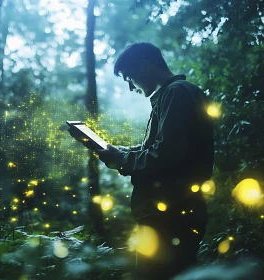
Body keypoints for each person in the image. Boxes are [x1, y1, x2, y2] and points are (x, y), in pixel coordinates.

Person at [68, 42, 214, 279]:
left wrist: (121, 158)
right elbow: (160, 148)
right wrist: (120, 151)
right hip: (173, 212)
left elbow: (166, 155)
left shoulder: (176, 93)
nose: (130, 86)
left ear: (146, 66)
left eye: (129, 77)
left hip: (171, 215)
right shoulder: (174, 93)